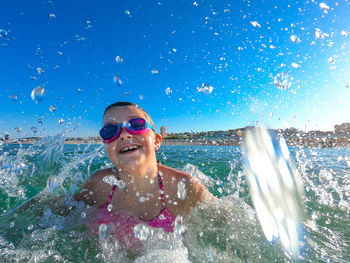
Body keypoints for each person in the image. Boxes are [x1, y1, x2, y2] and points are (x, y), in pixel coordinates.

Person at [74, 102, 212, 242]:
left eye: (136, 125)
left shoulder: (185, 188)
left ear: (156, 141)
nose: (124, 135)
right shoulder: (98, 185)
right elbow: (62, 213)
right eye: (110, 131)